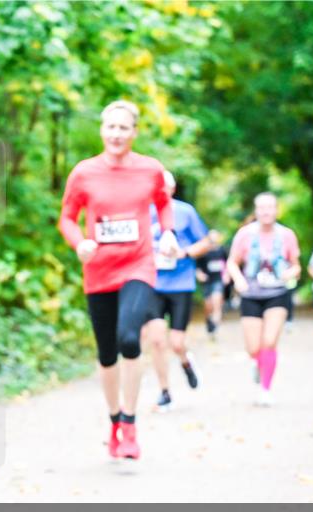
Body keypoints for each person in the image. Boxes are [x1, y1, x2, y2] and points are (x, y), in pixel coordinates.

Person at [58, 100, 178, 460]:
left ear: (134, 132)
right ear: (102, 130)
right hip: (98, 271)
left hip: (138, 265)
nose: (116, 134)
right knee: (107, 353)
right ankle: (114, 422)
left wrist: (168, 233)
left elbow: (163, 203)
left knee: (129, 337)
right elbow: (67, 218)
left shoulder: (150, 169)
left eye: (124, 127)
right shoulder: (84, 173)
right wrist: (79, 243)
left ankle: (130, 422)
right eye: (111, 127)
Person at [143, 170, 211, 412]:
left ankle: (186, 362)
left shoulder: (185, 211)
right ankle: (165, 392)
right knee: (156, 340)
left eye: (165, 187)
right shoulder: (143, 212)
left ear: (172, 189)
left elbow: (205, 241)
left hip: (181, 284)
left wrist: (184, 253)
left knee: (176, 342)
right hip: (152, 283)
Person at [226, 193, 302, 406]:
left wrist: (290, 273)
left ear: (276, 210)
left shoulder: (286, 235)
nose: (266, 212)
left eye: (270, 207)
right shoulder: (245, 234)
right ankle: (258, 363)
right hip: (250, 294)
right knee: (253, 348)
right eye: (262, 208)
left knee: (269, 342)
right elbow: (232, 262)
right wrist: (238, 280)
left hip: (277, 294)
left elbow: (296, 265)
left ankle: (265, 390)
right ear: (256, 211)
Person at [196, 229, 229, 338]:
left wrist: (226, 275)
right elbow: (197, 266)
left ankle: (215, 326)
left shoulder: (222, 250)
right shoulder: (203, 251)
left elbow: (228, 263)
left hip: (218, 280)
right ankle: (209, 322)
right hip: (207, 281)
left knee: (217, 302)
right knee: (208, 306)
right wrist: (199, 274)